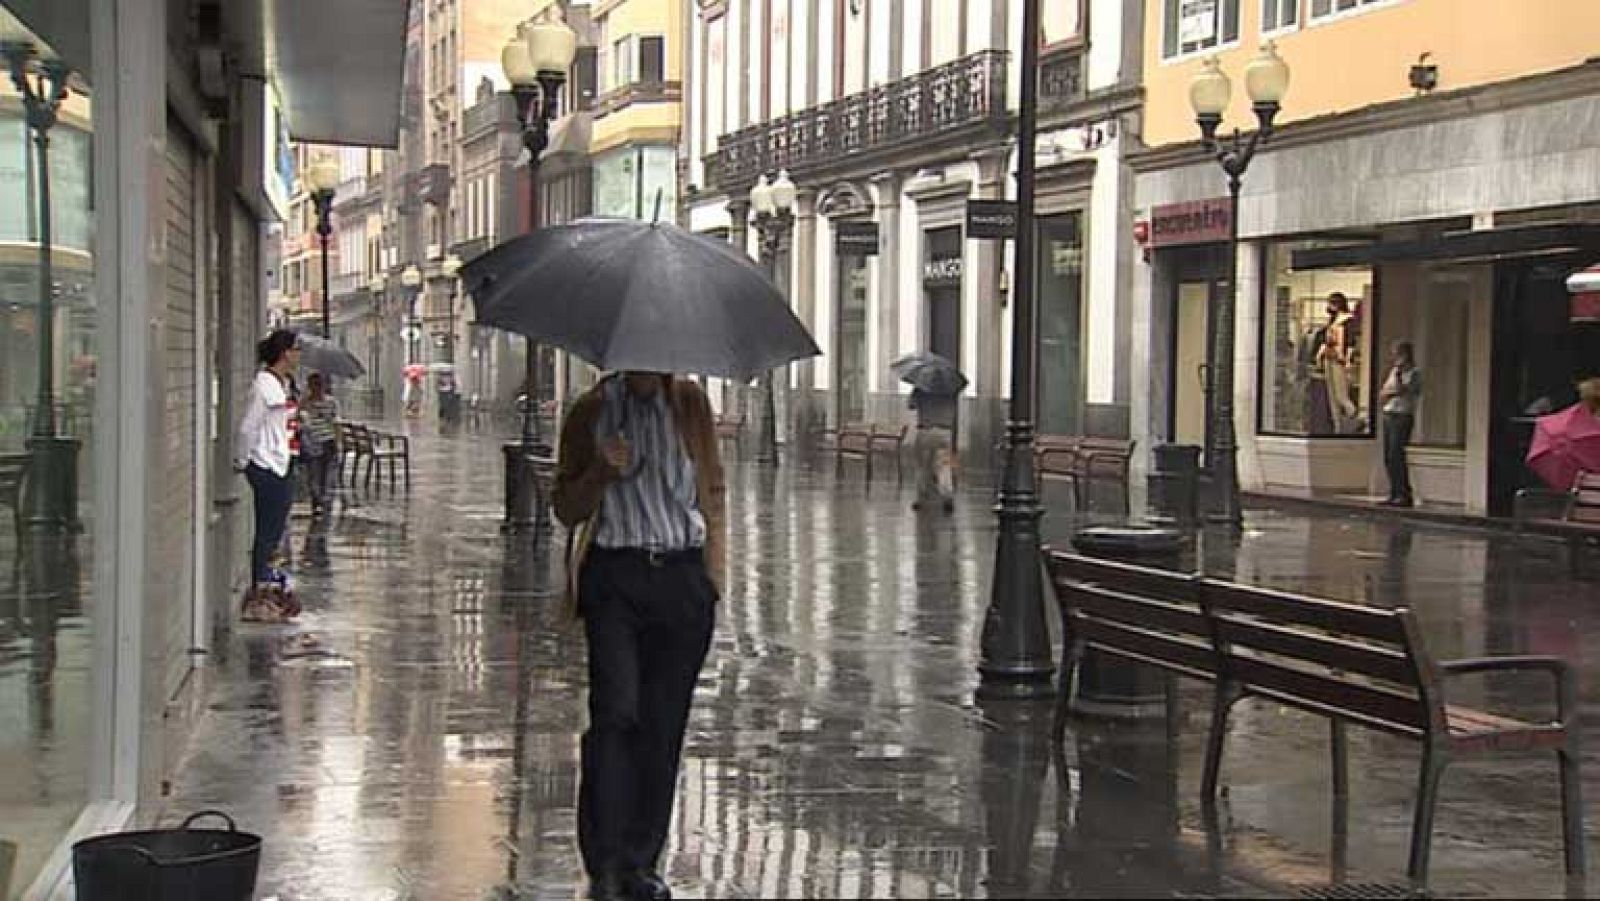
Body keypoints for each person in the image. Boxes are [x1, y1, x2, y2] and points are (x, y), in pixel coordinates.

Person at [553, 371, 725, 901]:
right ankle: (603, 863)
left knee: (662, 727)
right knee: (616, 716)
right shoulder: (591, 409)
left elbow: (713, 493)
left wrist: (713, 582)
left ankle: (641, 863)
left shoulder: (691, 406)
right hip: (616, 578)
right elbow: (565, 507)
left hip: (681, 580)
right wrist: (601, 473)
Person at [235, 330, 301, 621]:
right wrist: (243, 459)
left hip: (281, 462)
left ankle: (268, 586)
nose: (299, 355)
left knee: (275, 530)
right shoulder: (264, 387)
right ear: (285, 352)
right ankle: (260, 591)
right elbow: (249, 427)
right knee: (268, 531)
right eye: (296, 349)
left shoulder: (282, 385)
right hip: (268, 465)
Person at [1378, 341, 1421, 507]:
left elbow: (1405, 390)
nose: (1395, 358)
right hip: (1389, 414)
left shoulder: (1414, 373)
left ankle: (1404, 493)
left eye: (1398, 354)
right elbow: (1384, 393)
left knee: (1397, 453)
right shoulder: (1393, 372)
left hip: (1402, 415)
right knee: (1388, 456)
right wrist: (1390, 392)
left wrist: (1397, 383)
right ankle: (1394, 491)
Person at [909, 386, 958, 513]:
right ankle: (947, 496)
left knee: (922, 467)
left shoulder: (921, 387)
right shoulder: (950, 389)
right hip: (945, 431)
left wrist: (917, 393)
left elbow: (911, 405)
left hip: (925, 430)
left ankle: (921, 498)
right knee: (944, 467)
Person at [299, 372, 342, 516]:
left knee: (327, 476)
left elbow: (336, 423)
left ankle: (323, 501)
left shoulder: (331, 403)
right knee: (313, 475)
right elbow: (300, 421)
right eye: (314, 385)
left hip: (328, 443)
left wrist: (338, 442)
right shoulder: (305, 403)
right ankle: (317, 501)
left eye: (320, 385)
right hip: (312, 444)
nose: (317, 388)